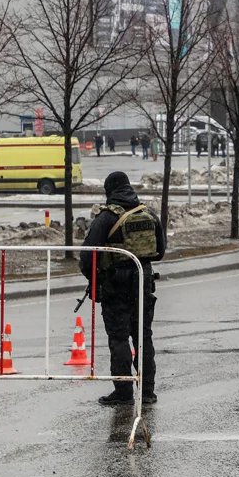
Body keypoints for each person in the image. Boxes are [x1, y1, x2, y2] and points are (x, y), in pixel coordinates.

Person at [80, 171, 166, 406]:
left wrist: (96, 278)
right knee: (143, 336)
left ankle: (124, 392)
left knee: (119, 338)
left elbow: (87, 257)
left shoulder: (106, 218)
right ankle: (147, 392)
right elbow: (160, 251)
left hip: (115, 286)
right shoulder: (149, 214)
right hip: (143, 282)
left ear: (109, 191)